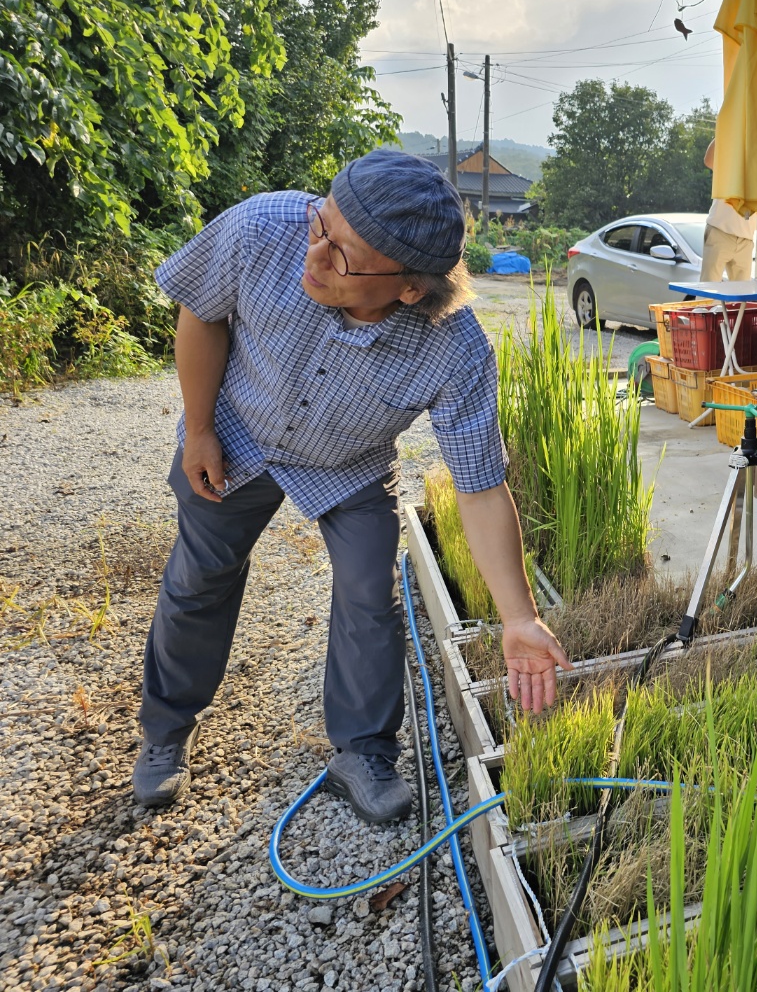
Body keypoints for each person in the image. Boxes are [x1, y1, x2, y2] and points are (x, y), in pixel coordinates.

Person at [131, 149, 573, 824]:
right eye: (323, 229)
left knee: (371, 595)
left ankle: (364, 751)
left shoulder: (455, 350)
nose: (316, 256)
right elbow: (202, 312)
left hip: (350, 461)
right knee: (199, 579)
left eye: (345, 257)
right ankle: (165, 732)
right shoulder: (265, 226)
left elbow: (481, 486)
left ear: (409, 288)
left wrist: (518, 617)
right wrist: (197, 429)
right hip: (237, 428)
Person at [700, 138, 756, 282]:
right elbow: (708, 160)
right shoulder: (733, 155)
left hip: (746, 238)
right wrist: (722, 130)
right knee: (708, 292)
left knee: (741, 299)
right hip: (720, 231)